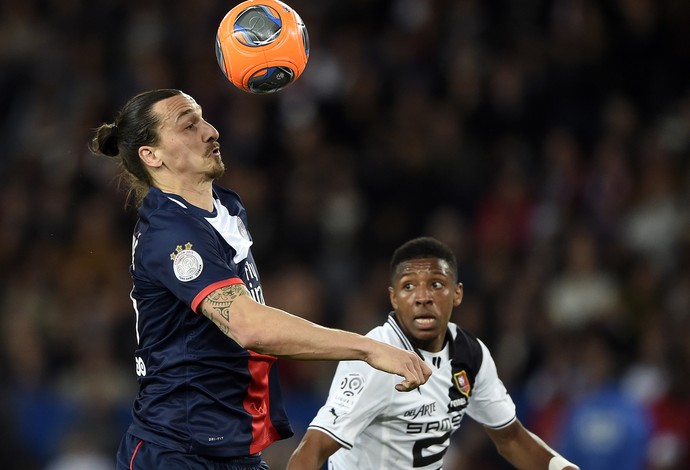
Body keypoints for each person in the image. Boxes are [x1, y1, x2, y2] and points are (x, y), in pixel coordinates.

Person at [88, 89, 431, 470]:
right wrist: (367, 348)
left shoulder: (227, 208)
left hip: (233, 451)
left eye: (203, 118)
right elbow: (249, 325)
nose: (211, 131)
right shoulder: (171, 232)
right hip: (175, 452)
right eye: (189, 125)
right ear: (152, 156)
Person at [287, 236, 580, 470]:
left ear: (457, 293)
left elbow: (512, 440)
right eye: (408, 286)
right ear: (394, 297)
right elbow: (310, 452)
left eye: (436, 284)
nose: (422, 297)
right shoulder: (374, 358)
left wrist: (562, 467)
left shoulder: (471, 354)